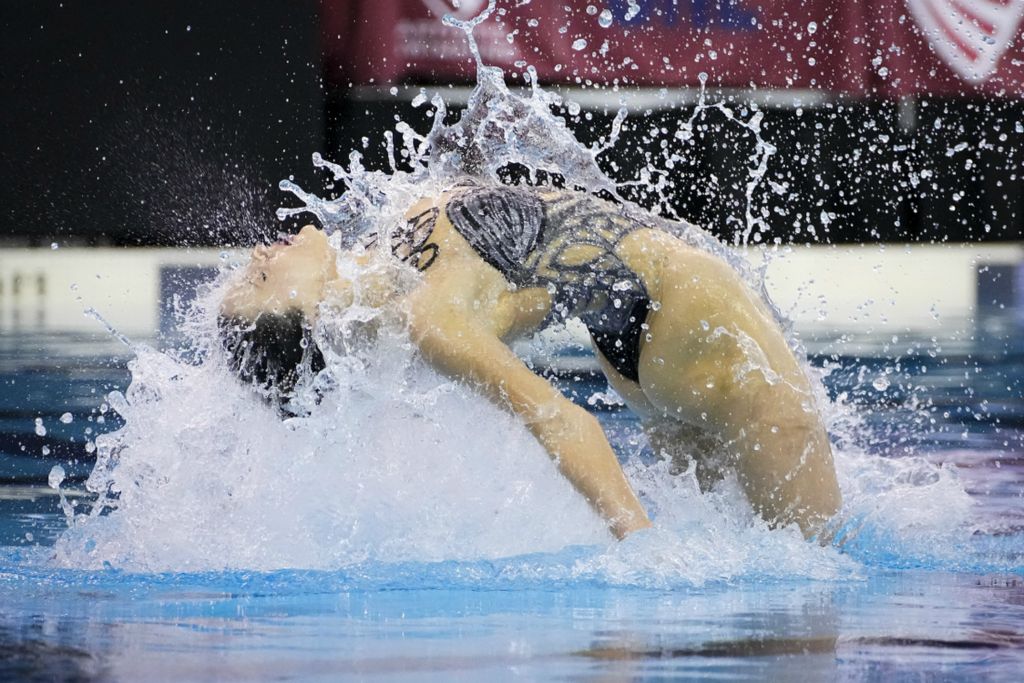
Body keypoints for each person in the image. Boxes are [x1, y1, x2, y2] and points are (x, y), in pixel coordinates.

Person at [218, 183, 842, 540]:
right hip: (702, 337)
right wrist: (640, 548)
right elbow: (560, 420)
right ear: (311, 320)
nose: (255, 260)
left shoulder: (391, 266)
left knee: (746, 579)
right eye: (260, 284)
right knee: (816, 584)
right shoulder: (431, 320)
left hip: (647, 347)